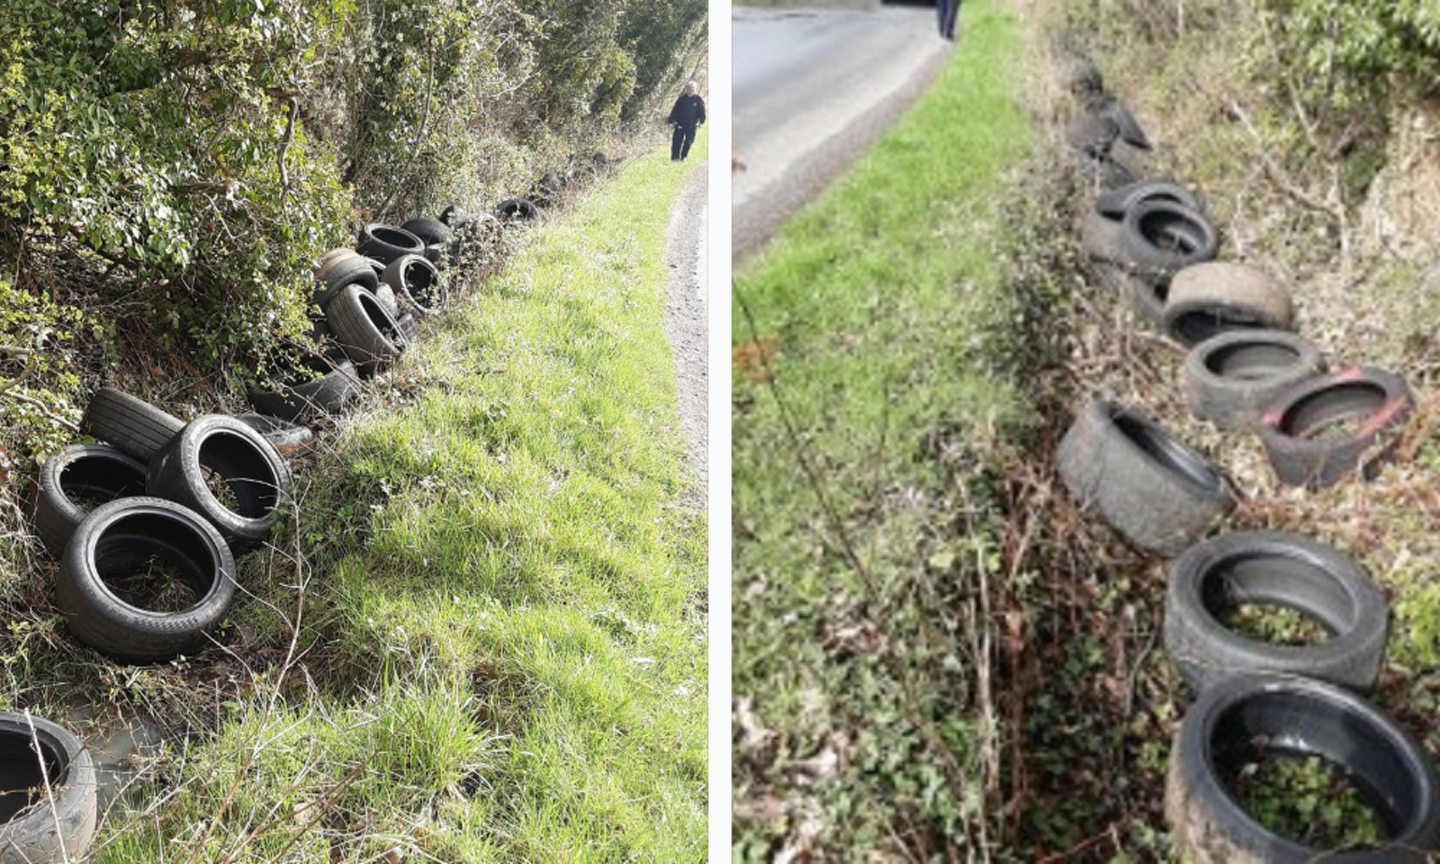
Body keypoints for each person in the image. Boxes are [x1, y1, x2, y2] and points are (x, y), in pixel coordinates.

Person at [667, 81, 706, 163]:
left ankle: (683, 157)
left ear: (695, 89)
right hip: (680, 124)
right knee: (676, 142)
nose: (690, 90)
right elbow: (675, 110)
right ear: (686, 88)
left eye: (692, 88)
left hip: (692, 125)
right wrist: (670, 121)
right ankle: (674, 158)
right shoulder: (681, 99)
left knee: (688, 142)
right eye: (688, 88)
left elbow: (702, 112)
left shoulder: (698, 100)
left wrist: (701, 122)